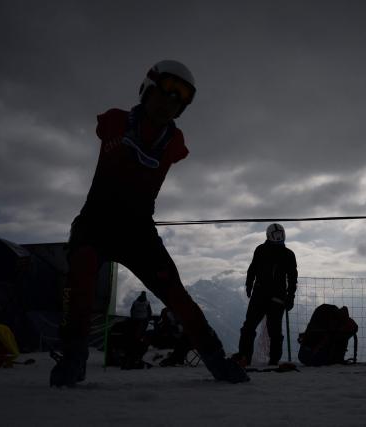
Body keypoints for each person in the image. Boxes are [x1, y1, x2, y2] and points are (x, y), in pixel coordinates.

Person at [50, 60, 249, 386]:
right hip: (96, 224)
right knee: (82, 273)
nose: (168, 103)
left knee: (177, 297)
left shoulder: (172, 141)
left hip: (137, 231)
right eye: (163, 94)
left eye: (178, 101)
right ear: (147, 89)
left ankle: (216, 361)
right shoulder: (116, 121)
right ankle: (73, 359)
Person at [233, 223, 298, 366]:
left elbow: (292, 278)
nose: (279, 238)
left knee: (272, 330)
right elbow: (253, 269)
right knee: (249, 327)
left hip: (273, 297)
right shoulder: (262, 250)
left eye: (280, 235)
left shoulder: (287, 254)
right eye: (276, 235)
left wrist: (290, 296)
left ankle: (273, 360)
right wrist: (249, 284)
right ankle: (245, 357)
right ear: (269, 236)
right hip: (264, 295)